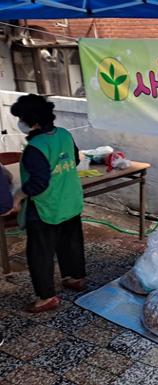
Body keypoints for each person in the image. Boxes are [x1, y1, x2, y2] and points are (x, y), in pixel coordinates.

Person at [10, 94, 85, 313]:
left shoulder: (35, 147)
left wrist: (18, 196)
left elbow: (38, 184)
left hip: (46, 206)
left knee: (40, 252)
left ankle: (46, 297)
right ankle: (75, 277)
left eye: (21, 118)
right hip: (70, 199)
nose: (20, 123)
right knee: (71, 241)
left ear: (33, 121)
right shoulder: (64, 134)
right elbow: (75, 159)